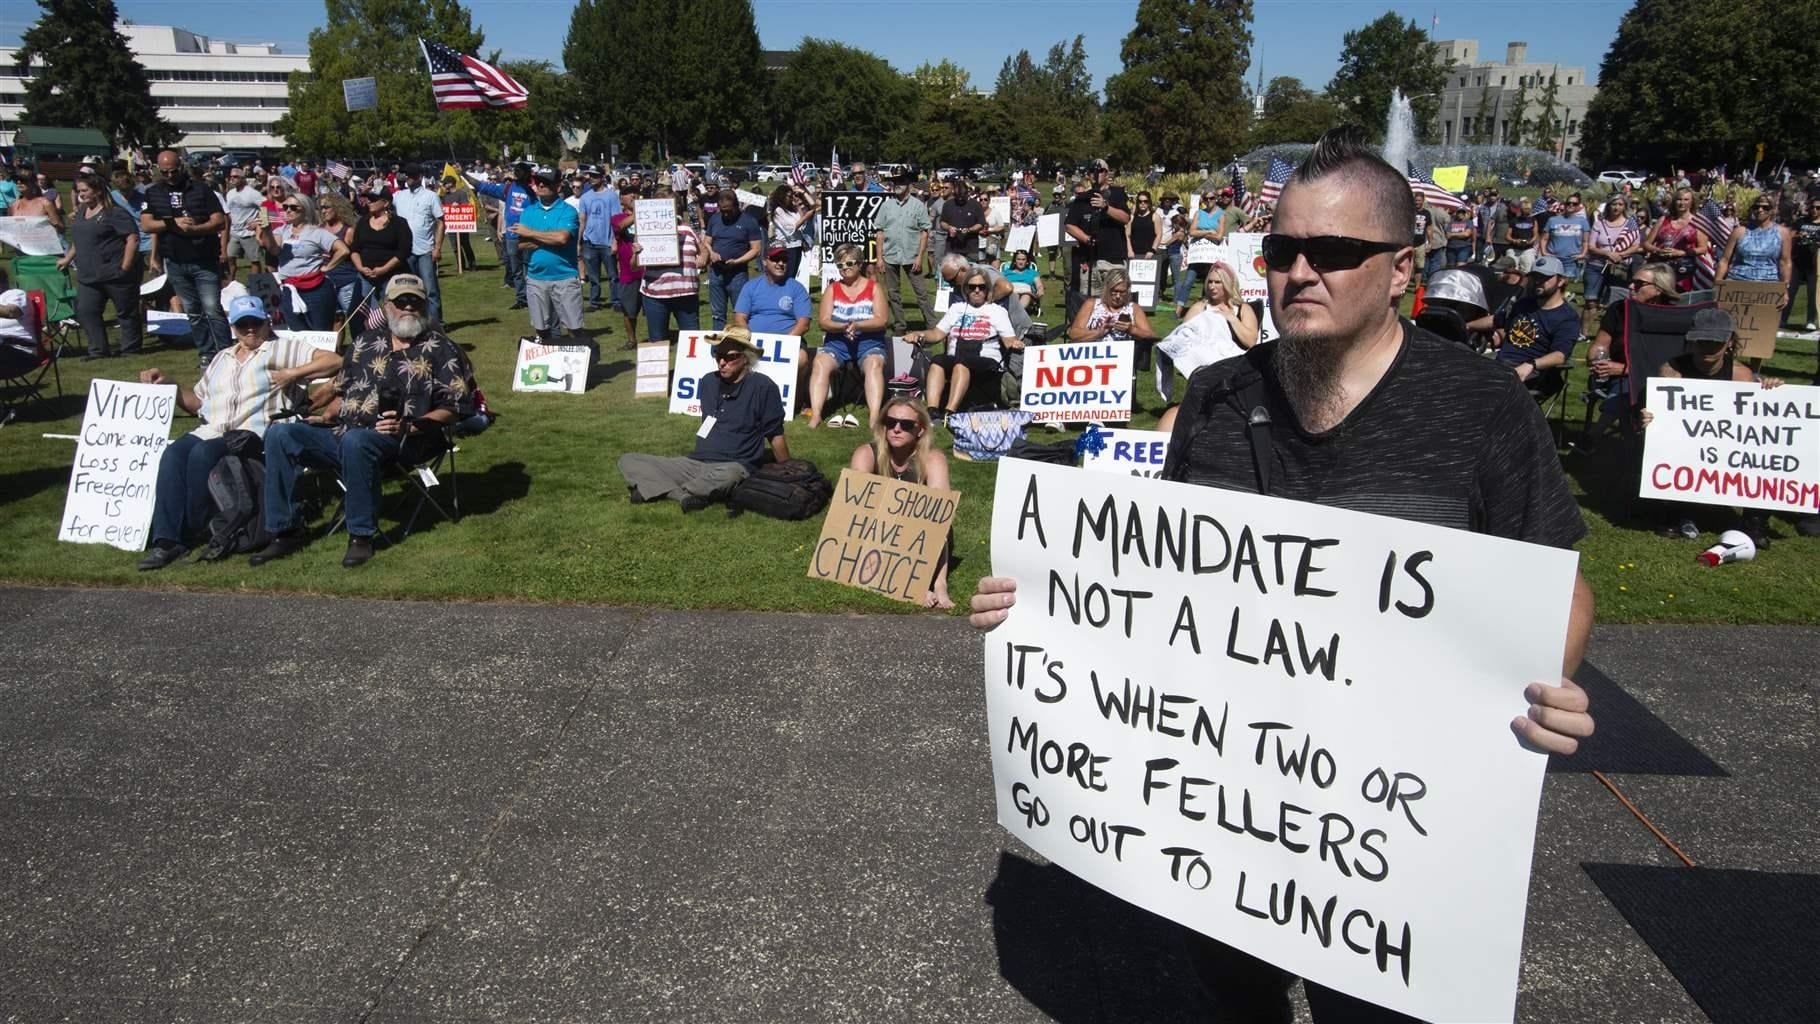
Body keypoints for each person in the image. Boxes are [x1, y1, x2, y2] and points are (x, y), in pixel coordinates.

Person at [969, 125, 1595, 1024]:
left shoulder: (1481, 407)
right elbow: (1157, 583)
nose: (1301, 271)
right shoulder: (1219, 397)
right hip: (1228, 807)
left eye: (1336, 251)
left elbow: (1557, 586)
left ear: (1401, 266)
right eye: (1282, 249)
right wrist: (1043, 604)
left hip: (1383, 830)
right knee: (1233, 994)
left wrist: (1546, 682)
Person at [252, 275, 470, 569]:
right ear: (386, 305)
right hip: (345, 432)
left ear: (425, 305)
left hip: (406, 440)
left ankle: (361, 536)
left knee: (357, 442)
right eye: (400, 301)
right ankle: (285, 530)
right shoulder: (365, 343)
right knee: (281, 434)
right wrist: (319, 411)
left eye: (414, 301)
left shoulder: (442, 349)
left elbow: (456, 407)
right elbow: (343, 390)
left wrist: (410, 426)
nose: (407, 307)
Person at [134, 295, 342, 569]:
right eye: (243, 325)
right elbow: (198, 403)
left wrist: (294, 374)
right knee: (173, 455)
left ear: (267, 322)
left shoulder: (283, 348)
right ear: (233, 327)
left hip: (252, 433)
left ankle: (192, 530)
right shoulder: (222, 357)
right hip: (213, 428)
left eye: (255, 322)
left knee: (201, 454)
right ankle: (166, 539)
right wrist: (169, 384)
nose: (250, 329)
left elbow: (335, 360)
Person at [1642, 308, 1784, 544]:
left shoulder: (1741, 376)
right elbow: (1659, 414)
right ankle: (1673, 511)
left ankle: (1755, 521)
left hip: (1728, 445)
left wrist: (1771, 391)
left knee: (1765, 453)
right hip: (1685, 445)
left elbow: (1754, 425)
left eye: (1715, 342)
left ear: (1729, 342)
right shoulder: (1672, 372)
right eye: (1702, 341)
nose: (1707, 347)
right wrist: (1649, 417)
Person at [617, 328, 789, 511]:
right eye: (718, 355)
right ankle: (683, 495)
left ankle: (659, 489)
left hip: (733, 466)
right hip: (695, 463)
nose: (722, 362)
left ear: (746, 358)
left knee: (730, 476)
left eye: (730, 357)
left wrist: (788, 472)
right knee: (629, 460)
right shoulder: (708, 382)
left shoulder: (764, 386)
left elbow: (775, 435)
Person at [848, 395, 953, 609]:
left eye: (906, 425)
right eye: (890, 422)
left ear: (920, 429)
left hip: (921, 530)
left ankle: (940, 584)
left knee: (936, 519)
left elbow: (939, 509)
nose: (896, 428)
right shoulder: (866, 453)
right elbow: (855, 505)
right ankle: (908, 582)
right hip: (880, 528)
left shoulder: (933, 458)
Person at [141, 149, 230, 368]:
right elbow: (146, 224)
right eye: (165, 172)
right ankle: (206, 352)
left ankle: (226, 351)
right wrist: (173, 224)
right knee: (193, 310)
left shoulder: (201, 190)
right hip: (175, 260)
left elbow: (219, 221)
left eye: (173, 171)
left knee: (212, 308)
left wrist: (196, 229)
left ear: (181, 167)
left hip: (203, 259)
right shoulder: (153, 192)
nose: (169, 176)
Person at [910, 267, 1020, 422]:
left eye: (981, 287)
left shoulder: (997, 311)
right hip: (958, 356)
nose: (976, 291)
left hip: (986, 359)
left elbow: (1009, 340)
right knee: (938, 361)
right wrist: (919, 334)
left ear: (987, 289)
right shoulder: (956, 308)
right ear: (966, 289)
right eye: (972, 287)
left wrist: (1015, 343)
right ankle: (932, 410)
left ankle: (950, 412)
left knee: (962, 363)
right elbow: (936, 334)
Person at [58, 172, 143, 360]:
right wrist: (67, 258)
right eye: (79, 191)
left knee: (126, 311)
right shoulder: (81, 212)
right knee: (87, 310)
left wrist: (125, 267)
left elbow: (132, 238)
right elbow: (79, 241)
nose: (81, 194)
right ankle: (98, 350)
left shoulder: (115, 213)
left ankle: (130, 348)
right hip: (88, 274)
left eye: (85, 190)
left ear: (97, 190)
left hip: (114, 271)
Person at [811, 242, 890, 429]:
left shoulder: (874, 288)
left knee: (874, 364)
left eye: (849, 264)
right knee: (820, 362)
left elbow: (882, 320)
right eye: (840, 265)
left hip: (870, 343)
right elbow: (823, 321)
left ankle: (874, 416)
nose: (844, 268)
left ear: (860, 264)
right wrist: (842, 327)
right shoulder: (832, 289)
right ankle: (815, 415)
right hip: (837, 344)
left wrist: (858, 325)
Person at [256, 193, 349, 332]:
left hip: (315, 290)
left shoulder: (317, 232)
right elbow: (274, 250)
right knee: (296, 333)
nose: (288, 210)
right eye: (285, 206)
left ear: (305, 209)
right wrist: (267, 231)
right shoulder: (282, 231)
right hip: (289, 289)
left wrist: (327, 267)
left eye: (293, 207)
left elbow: (343, 250)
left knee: (319, 332)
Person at [515, 167, 588, 346]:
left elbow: (562, 238)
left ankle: (580, 368)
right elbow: (521, 244)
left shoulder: (568, 211)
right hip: (536, 277)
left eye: (546, 182)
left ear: (557, 186)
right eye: (538, 181)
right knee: (541, 328)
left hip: (565, 276)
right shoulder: (529, 211)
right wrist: (549, 237)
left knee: (574, 328)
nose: (540, 185)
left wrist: (531, 233)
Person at [1490, 254, 1580, 390]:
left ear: (1561, 281)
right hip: (1500, 362)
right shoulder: (1524, 304)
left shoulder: (1567, 317)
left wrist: (1531, 364)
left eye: (1545, 278)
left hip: (1533, 372)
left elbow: (1559, 356)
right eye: (1535, 277)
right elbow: (1497, 321)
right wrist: (1467, 325)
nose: (1538, 281)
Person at [635, 195, 707, 341]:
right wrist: (636, 253)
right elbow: (634, 265)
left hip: (686, 294)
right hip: (655, 294)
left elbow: (703, 250)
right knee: (657, 340)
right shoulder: (644, 230)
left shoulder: (687, 229)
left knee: (692, 339)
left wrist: (702, 258)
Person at [873, 171, 936, 335]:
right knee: (893, 294)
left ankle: (931, 325)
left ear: (908, 185)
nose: (897, 186)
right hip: (890, 255)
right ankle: (900, 325)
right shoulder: (886, 206)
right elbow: (879, 232)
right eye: (895, 183)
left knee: (921, 293)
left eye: (901, 182)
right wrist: (879, 258)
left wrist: (919, 256)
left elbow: (924, 232)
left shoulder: (918, 205)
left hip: (911, 256)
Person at [469, 162, 535, 309]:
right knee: (516, 270)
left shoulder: (534, 190)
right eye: (516, 171)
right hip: (511, 235)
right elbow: (482, 187)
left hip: (528, 235)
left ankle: (534, 297)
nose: (517, 174)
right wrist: (463, 174)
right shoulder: (508, 188)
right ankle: (521, 299)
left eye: (520, 171)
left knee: (529, 268)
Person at [1064, 159, 1130, 299]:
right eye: (1092, 171)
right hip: (1089, 260)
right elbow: (1069, 225)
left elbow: (1125, 218)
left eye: (1100, 171)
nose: (1096, 174)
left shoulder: (1117, 193)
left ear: (1106, 174)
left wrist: (1106, 207)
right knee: (1089, 303)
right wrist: (1086, 239)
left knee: (1115, 301)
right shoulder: (1082, 198)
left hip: (1113, 259)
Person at [1714, 196, 1792, 311]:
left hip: (1768, 286)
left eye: (1765, 207)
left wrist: (1784, 288)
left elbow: (1785, 262)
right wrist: (1717, 285)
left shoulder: (1783, 233)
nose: (1760, 210)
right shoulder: (1739, 231)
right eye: (1757, 207)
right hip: (1737, 282)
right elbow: (1725, 260)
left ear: (1772, 210)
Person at [390, 164, 446, 325]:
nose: (408, 179)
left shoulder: (430, 196)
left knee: (430, 290)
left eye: (412, 176)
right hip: (405, 251)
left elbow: (441, 222)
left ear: (420, 177)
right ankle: (414, 321)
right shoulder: (399, 196)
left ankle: (436, 324)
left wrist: (437, 248)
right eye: (406, 176)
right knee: (407, 289)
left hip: (425, 250)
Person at [703, 189, 764, 330]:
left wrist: (737, 261)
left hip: (737, 273)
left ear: (736, 206)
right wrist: (711, 252)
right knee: (717, 313)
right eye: (722, 210)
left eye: (729, 210)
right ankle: (718, 348)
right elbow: (707, 240)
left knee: (740, 312)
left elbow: (756, 249)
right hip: (716, 272)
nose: (725, 214)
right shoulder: (715, 219)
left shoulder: (749, 221)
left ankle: (740, 346)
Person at [350, 185, 412, 313]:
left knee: (394, 311)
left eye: (373, 200)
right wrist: (360, 267)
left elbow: (404, 251)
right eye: (368, 199)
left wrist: (384, 269)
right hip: (365, 276)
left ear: (385, 203)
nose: (369, 202)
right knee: (361, 312)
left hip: (391, 276)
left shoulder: (399, 223)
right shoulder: (362, 222)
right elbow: (355, 249)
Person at [1584, 193, 1642, 315]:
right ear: (1608, 206)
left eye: (1620, 204)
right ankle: (1583, 333)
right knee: (1591, 301)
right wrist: (1607, 253)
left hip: (1619, 267)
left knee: (1613, 302)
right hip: (1596, 266)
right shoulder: (1599, 223)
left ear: (1625, 207)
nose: (1616, 207)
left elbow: (1635, 246)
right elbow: (1591, 247)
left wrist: (1619, 255)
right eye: (1614, 204)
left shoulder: (1630, 224)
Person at [1643, 187, 1710, 292]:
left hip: (1683, 271)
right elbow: (1646, 244)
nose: (1682, 203)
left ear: (1692, 202)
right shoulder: (1663, 219)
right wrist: (1658, 250)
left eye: (1686, 199)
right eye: (1679, 199)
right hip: (1659, 267)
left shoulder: (1697, 223)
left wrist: (1681, 253)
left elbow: (1703, 248)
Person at [576, 168, 622, 312]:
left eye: (596, 176)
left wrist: (615, 241)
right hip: (590, 241)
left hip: (607, 241)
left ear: (602, 177)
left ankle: (616, 301)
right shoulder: (585, 197)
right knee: (594, 277)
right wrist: (579, 242)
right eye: (591, 176)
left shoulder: (611, 196)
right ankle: (594, 302)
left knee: (613, 275)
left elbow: (616, 220)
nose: (592, 178)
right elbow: (582, 219)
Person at [1176, 188, 1228, 315]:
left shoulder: (1221, 214)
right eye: (1206, 199)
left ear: (1216, 199)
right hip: (1198, 253)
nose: (1209, 201)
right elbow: (1192, 232)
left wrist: (1202, 233)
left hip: (1213, 254)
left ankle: (1206, 308)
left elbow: (1219, 236)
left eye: (1211, 198)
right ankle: (1178, 310)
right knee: (1188, 280)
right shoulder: (1199, 213)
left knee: (1209, 281)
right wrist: (1208, 232)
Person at [317, 194, 363, 321]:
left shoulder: (348, 231)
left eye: (326, 207)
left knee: (354, 319)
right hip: (326, 284)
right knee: (336, 320)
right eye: (321, 208)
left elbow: (357, 254)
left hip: (346, 282)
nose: (323, 211)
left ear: (337, 208)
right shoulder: (318, 230)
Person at [221, 167, 266, 281]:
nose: (232, 179)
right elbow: (228, 211)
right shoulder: (230, 193)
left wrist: (260, 222)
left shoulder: (252, 193)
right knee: (230, 258)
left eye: (235, 177)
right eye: (231, 176)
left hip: (249, 233)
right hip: (234, 233)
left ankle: (255, 286)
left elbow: (266, 206)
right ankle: (230, 285)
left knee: (254, 261)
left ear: (242, 178)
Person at [1543, 193, 1592, 288]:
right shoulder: (1552, 220)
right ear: (1565, 204)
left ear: (1578, 206)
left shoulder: (1583, 221)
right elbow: (1544, 238)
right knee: (1551, 283)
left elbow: (1585, 241)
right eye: (1569, 203)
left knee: (1565, 285)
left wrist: (1583, 254)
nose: (1571, 205)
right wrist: (1544, 252)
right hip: (1554, 257)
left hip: (1571, 259)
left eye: (1574, 204)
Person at [1786, 200, 1820, 335]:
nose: (1815, 210)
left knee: (1813, 293)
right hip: (1798, 260)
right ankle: (1783, 318)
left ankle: (1811, 320)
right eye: (1812, 207)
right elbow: (1790, 235)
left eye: (1818, 208)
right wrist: (1799, 235)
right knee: (1790, 291)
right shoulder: (1801, 221)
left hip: (1815, 263)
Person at [940, 180, 988, 263]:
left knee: (970, 274)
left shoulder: (975, 204)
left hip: (970, 248)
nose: (960, 199)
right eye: (957, 197)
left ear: (967, 193)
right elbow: (942, 222)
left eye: (962, 196)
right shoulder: (948, 204)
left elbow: (981, 223)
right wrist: (949, 228)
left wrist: (970, 229)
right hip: (952, 247)